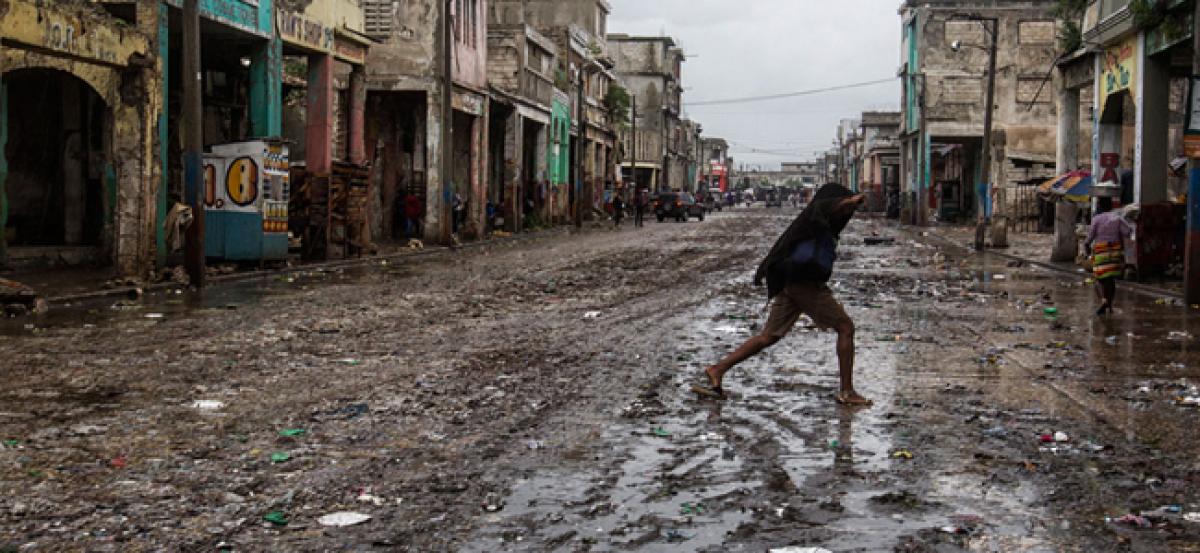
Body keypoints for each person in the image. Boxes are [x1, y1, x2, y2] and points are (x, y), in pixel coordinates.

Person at [693, 184, 871, 406]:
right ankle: (847, 391)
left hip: (790, 282)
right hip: (803, 283)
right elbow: (825, 205)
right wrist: (852, 200)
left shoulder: (823, 224)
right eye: (844, 208)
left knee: (769, 336)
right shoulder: (816, 217)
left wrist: (851, 204)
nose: (848, 215)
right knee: (845, 327)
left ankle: (717, 369)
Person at [1085, 196, 1132, 315]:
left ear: (1100, 206)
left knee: (1099, 279)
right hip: (1115, 251)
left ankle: (1104, 300)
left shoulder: (1096, 219)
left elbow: (1090, 237)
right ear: (1111, 206)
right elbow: (1128, 231)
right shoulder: (1118, 218)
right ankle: (1109, 306)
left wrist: (1087, 249)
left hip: (1101, 252)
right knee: (1110, 280)